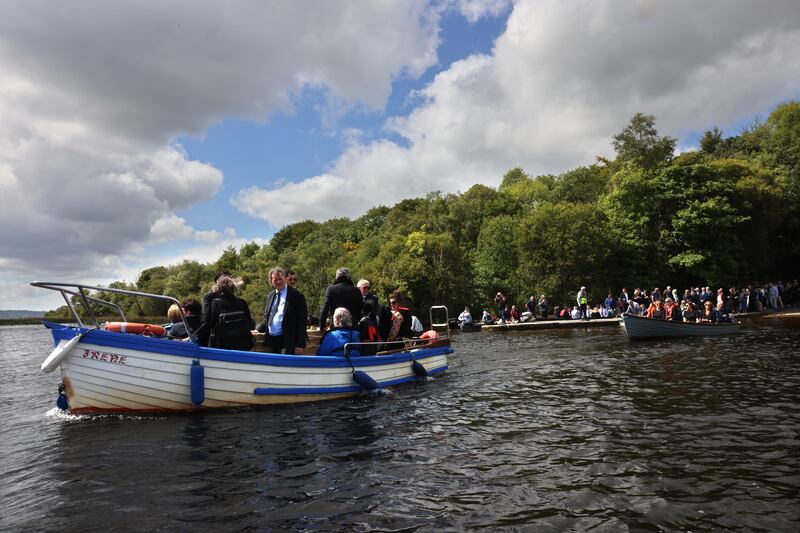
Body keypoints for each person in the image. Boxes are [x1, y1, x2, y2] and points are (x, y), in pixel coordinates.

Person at [193, 275, 254, 351]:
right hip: (243, 345)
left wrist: (193, 336)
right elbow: (250, 323)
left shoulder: (215, 304)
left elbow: (206, 324)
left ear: (218, 289)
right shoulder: (242, 303)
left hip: (222, 347)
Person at [262, 266, 308, 354]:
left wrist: (300, 344)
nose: (278, 282)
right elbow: (268, 316)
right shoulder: (271, 295)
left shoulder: (296, 295)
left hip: (288, 341)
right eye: (275, 280)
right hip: (272, 341)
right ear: (271, 282)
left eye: (280, 279)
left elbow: (302, 320)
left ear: (284, 278)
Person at [319, 267, 363, 332]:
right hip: (353, 328)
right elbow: (360, 310)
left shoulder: (331, 289)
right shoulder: (356, 291)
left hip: (336, 326)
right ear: (349, 277)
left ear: (337, 277)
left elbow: (325, 309)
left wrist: (321, 326)